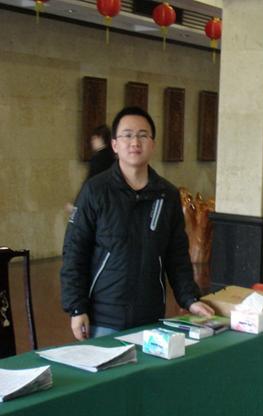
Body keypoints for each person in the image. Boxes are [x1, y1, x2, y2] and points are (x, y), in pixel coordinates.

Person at [61, 106, 214, 340]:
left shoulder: (167, 194)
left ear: (153, 144)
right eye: (127, 135)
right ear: (114, 145)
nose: (135, 142)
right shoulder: (95, 191)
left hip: (150, 317)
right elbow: (74, 251)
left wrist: (190, 299)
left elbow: (176, 255)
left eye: (143, 135)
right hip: (104, 318)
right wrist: (76, 308)